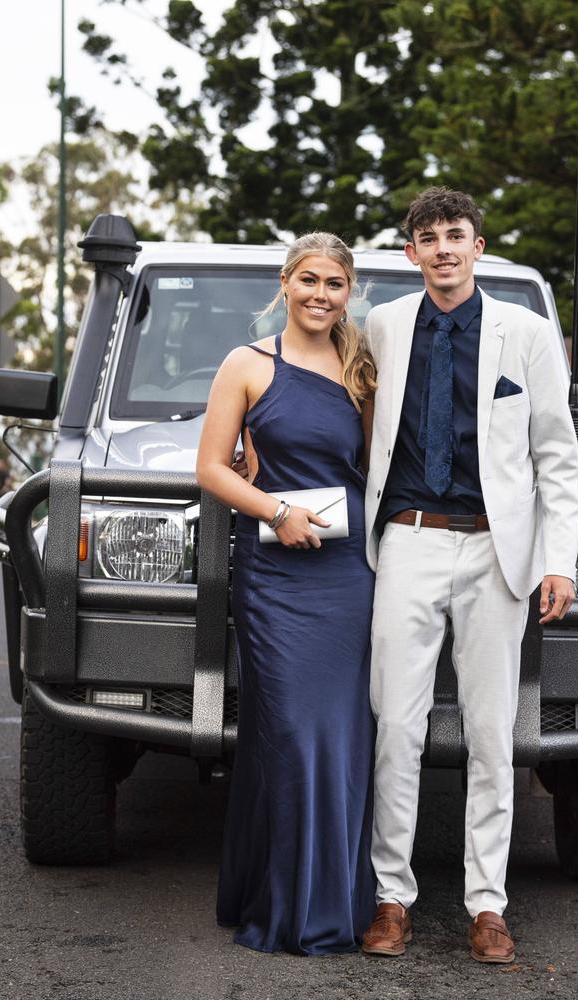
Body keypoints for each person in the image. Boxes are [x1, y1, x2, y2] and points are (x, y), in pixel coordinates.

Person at [360, 187, 578, 963]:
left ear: (478, 247)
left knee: (491, 734)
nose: (444, 248)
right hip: (409, 541)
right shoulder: (382, 328)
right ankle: (392, 898)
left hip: (497, 551)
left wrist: (559, 560)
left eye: (457, 235)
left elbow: (558, 456)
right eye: (429, 237)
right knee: (395, 725)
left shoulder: (524, 332)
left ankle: (486, 905)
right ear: (410, 250)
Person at [196, 233, 378, 954]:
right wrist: (275, 508)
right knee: (291, 736)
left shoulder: (361, 366)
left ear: (349, 292)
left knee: (342, 737)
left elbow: (379, 462)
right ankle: (292, 905)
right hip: (275, 575)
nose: (321, 295)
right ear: (284, 282)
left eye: (335, 283)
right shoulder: (246, 364)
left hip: (348, 575)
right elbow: (212, 469)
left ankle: (328, 900)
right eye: (309, 280)